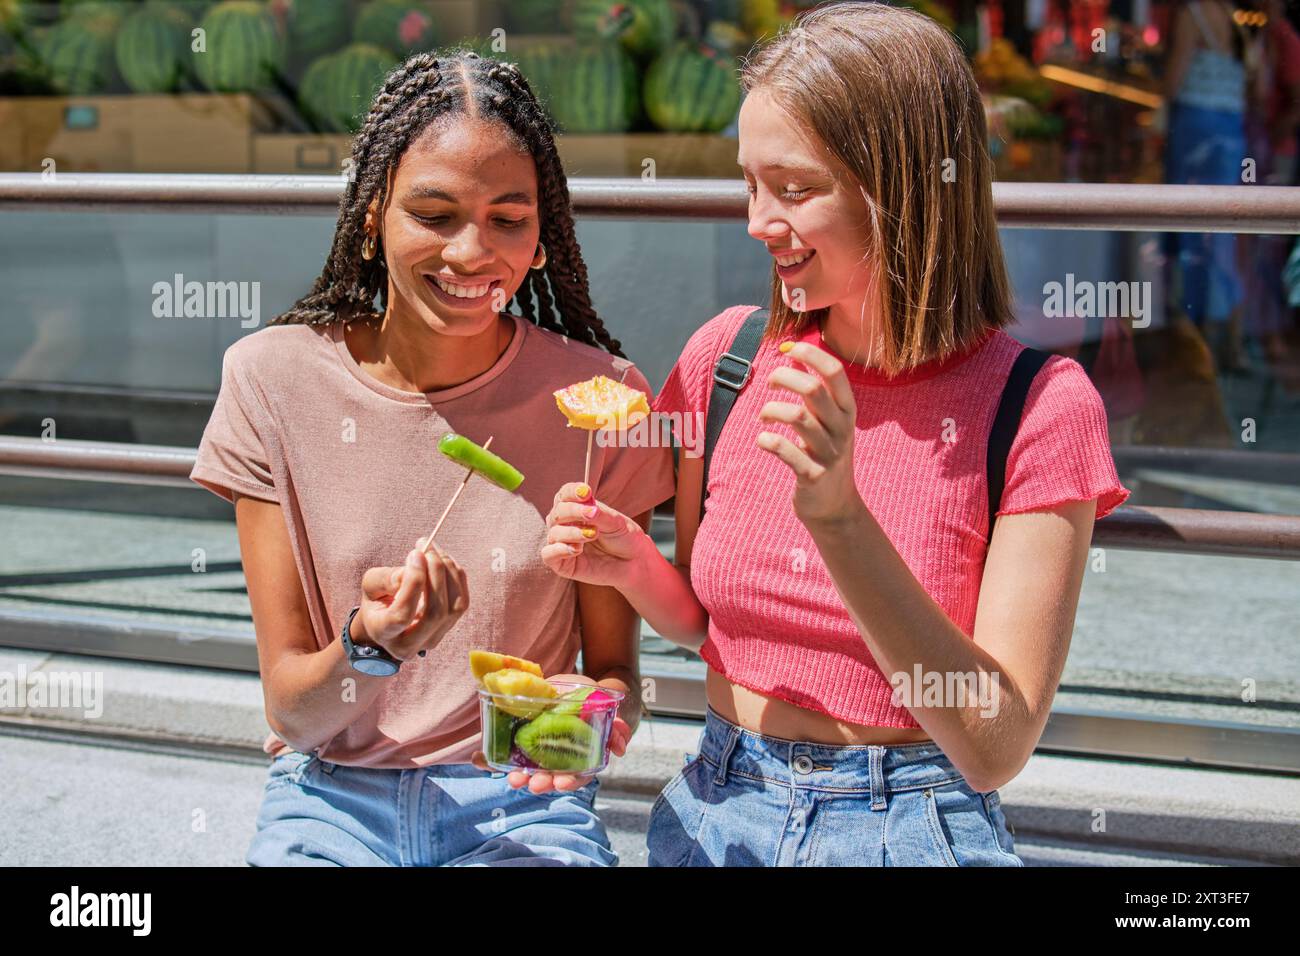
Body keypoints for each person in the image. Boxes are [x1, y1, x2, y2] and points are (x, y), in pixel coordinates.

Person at [541, 3, 1129, 866]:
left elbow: (995, 744)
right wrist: (629, 566)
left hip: (908, 822)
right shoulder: (729, 359)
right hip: (716, 802)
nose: (755, 221)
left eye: (792, 188)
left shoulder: (1038, 405)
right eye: (749, 183)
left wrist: (839, 514)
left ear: (902, 186)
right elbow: (716, 629)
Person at [189, 50, 675, 866]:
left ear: (542, 238)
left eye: (508, 219)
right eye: (435, 212)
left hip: (521, 804)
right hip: (331, 796)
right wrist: (372, 645)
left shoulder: (605, 401)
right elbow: (294, 716)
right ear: (375, 213)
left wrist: (594, 713)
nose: (470, 253)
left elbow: (614, 668)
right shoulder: (270, 380)